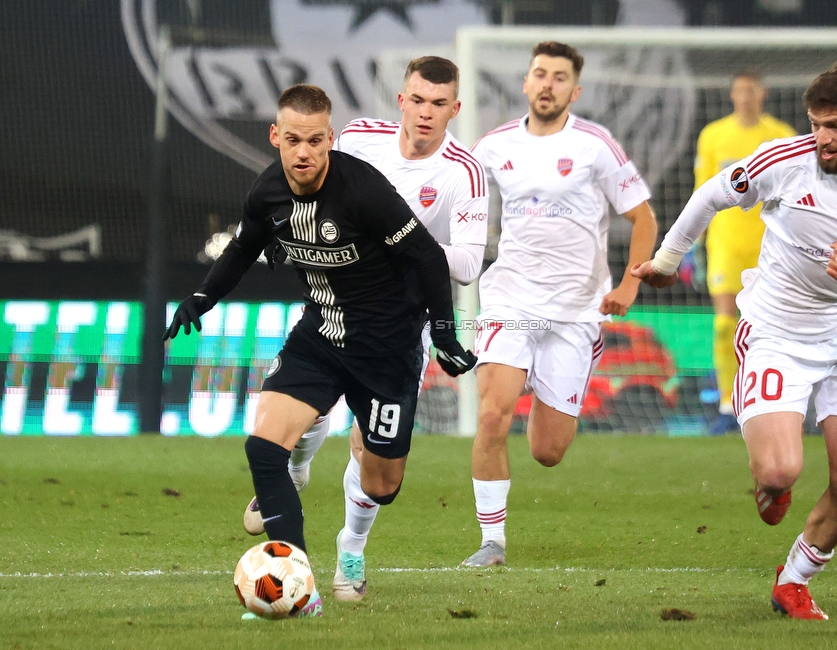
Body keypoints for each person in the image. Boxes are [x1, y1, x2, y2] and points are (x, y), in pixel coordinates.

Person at [163, 83, 477, 618]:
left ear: (330, 138)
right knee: (263, 449)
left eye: (314, 141)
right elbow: (243, 247)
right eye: (292, 140)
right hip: (320, 335)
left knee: (383, 486)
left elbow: (427, 258)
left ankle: (345, 532)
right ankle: (300, 587)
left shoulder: (363, 191)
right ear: (275, 137)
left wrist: (444, 334)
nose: (304, 152)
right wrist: (202, 296)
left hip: (387, 349)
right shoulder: (267, 193)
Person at [632, 63, 837, 620]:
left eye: (836, 126)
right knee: (776, 473)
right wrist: (670, 261)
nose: (822, 139)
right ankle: (773, 485)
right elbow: (711, 195)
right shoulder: (785, 161)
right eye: (815, 124)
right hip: (777, 332)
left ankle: (793, 580)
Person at [241, 57, 489, 602]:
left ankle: (350, 546)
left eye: (439, 104)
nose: (426, 113)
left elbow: (468, 264)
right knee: (291, 410)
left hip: (396, 325)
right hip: (329, 302)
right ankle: (293, 470)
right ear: (401, 100)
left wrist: (394, 241)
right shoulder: (355, 139)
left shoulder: (463, 172)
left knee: (375, 469)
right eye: (417, 100)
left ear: (455, 109)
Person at [460, 41, 659, 567]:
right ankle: (492, 542)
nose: (547, 84)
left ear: (575, 90)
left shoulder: (596, 145)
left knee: (548, 451)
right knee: (490, 417)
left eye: (559, 77)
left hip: (576, 310)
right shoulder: (493, 146)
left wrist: (630, 286)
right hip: (510, 297)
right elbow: (455, 193)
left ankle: (542, 386)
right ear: (526, 83)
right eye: (539, 74)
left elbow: (644, 220)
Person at [691, 71, 796, 435]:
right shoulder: (713, 135)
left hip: (771, 246)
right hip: (725, 244)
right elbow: (701, 192)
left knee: (773, 329)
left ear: (762, 93)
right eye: (738, 90)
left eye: (750, 90)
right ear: (732, 95)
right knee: (724, 325)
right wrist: (693, 244)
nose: (744, 97)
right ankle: (725, 404)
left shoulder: (782, 135)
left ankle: (774, 405)